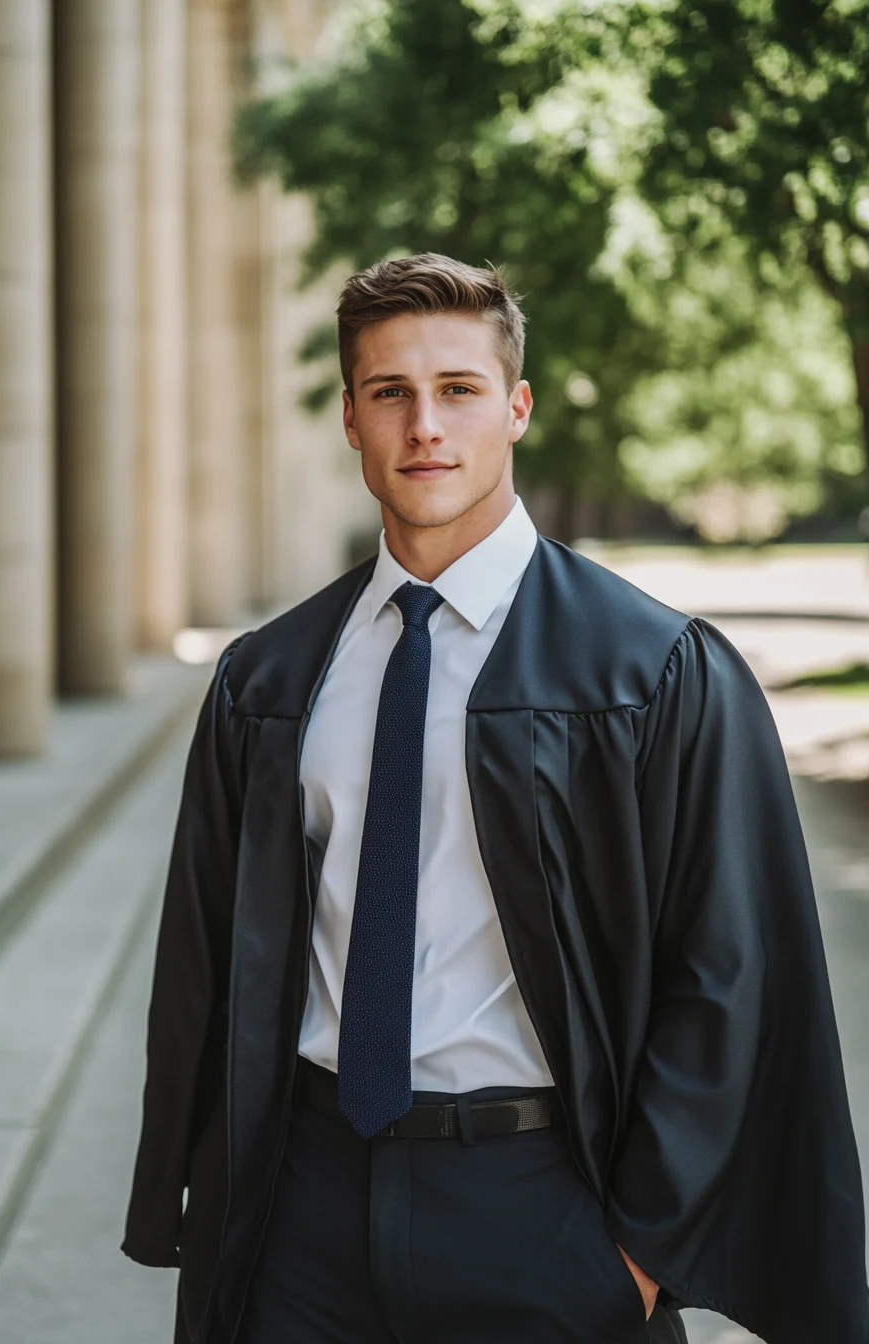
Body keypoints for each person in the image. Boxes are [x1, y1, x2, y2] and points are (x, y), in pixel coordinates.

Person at [122, 253, 869, 1344]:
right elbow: (203, 965)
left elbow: (727, 971)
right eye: (389, 393)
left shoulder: (648, 671)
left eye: (457, 389)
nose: (424, 424)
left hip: (539, 1208)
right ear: (349, 419)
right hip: (305, 1206)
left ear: (513, 408)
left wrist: (632, 1254)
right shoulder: (269, 680)